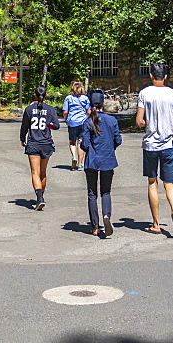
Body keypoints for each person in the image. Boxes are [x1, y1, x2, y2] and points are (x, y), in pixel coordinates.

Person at [135, 63, 173, 237]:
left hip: (150, 144)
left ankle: (156, 223)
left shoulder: (145, 93)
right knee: (169, 183)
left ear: (151, 75)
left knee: (152, 182)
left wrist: (150, 123)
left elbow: (139, 121)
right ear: (165, 76)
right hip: (168, 143)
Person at [80, 89, 122, 236]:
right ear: (104, 104)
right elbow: (118, 140)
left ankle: (95, 226)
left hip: (91, 160)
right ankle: (106, 216)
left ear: (91, 105)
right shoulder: (112, 120)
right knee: (106, 191)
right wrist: (110, 148)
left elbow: (84, 144)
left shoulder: (87, 122)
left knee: (92, 194)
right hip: (108, 159)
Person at [20, 85, 60, 210]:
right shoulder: (51, 109)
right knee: (43, 172)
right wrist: (49, 126)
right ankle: (41, 196)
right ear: (46, 95)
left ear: (35, 94)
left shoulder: (29, 109)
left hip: (33, 143)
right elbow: (57, 125)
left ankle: (39, 198)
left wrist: (22, 138)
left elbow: (24, 126)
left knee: (35, 172)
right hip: (46, 143)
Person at [63, 79, 90, 170]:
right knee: (80, 142)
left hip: (72, 122)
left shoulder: (68, 98)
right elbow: (88, 111)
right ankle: (80, 164)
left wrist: (65, 118)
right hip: (82, 121)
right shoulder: (85, 98)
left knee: (72, 142)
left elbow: (65, 111)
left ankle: (74, 157)